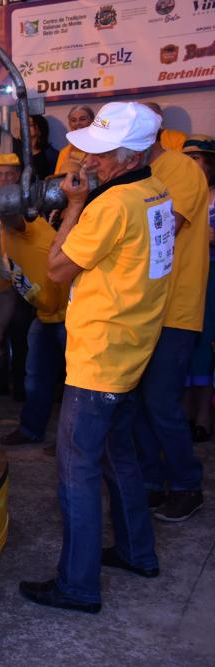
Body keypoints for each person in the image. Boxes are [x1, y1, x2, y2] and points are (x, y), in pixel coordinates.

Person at [20, 102, 172, 613]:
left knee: (76, 469)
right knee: (119, 455)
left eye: (103, 154)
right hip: (134, 348)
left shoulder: (112, 206)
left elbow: (59, 268)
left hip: (100, 356)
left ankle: (77, 585)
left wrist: (78, 206)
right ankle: (137, 551)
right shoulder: (157, 191)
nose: (91, 161)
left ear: (132, 158)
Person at [132, 120, 211, 523]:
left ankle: (185, 485)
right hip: (147, 309)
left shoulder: (178, 168)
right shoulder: (144, 175)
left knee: (161, 402)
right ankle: (150, 482)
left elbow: (164, 229)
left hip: (175, 310)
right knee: (143, 403)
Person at [0, 154, 70, 449]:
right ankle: (30, 430)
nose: (6, 181)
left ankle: (72, 441)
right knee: (36, 379)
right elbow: (7, 291)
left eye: (12, 175)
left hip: (73, 316)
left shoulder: (25, 220)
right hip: (45, 316)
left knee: (77, 385)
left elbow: (12, 217)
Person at [182, 135, 215, 443]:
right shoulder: (180, 195)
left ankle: (203, 416)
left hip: (211, 279)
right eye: (188, 161)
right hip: (184, 278)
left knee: (205, 346)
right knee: (185, 346)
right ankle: (186, 413)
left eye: (199, 160)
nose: (193, 166)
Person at [0, 99, 59, 179]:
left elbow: (54, 180)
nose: (25, 126)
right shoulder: (16, 145)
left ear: (40, 129)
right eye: (24, 124)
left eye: (30, 124)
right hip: (17, 191)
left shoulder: (50, 154)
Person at [54, 104, 95, 174]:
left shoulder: (101, 147)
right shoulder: (65, 152)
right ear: (70, 124)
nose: (78, 123)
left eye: (82, 119)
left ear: (92, 122)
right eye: (73, 120)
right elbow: (58, 179)